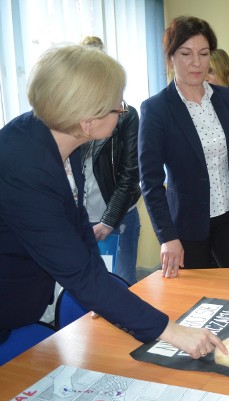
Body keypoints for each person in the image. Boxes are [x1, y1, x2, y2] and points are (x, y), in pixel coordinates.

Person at [0, 44, 227, 359]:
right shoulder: (24, 169)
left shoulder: (63, 138)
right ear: (87, 121)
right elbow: (77, 273)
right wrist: (174, 332)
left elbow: (78, 221)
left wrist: (102, 293)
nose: (122, 111)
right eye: (115, 105)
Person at [138, 16, 229, 278]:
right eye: (186, 53)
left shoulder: (225, 98)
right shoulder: (156, 109)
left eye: (203, 53)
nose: (196, 62)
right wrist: (167, 236)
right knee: (197, 302)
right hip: (187, 225)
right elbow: (150, 182)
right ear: (171, 57)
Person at [80, 35, 141, 285]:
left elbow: (130, 173)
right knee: (87, 288)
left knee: (122, 284)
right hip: (82, 218)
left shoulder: (126, 116)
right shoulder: (71, 116)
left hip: (119, 217)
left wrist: (108, 220)